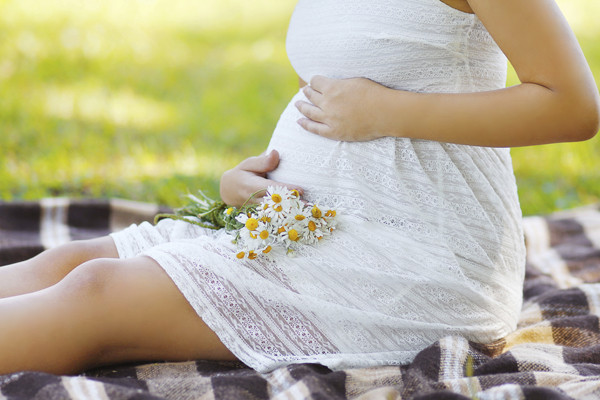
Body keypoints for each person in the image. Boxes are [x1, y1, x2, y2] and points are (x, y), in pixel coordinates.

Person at [0, 0, 598, 375]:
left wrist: (387, 112)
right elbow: (337, 98)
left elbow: (571, 105)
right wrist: (258, 180)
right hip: (302, 226)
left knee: (95, 291)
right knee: (68, 262)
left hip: (419, 257)